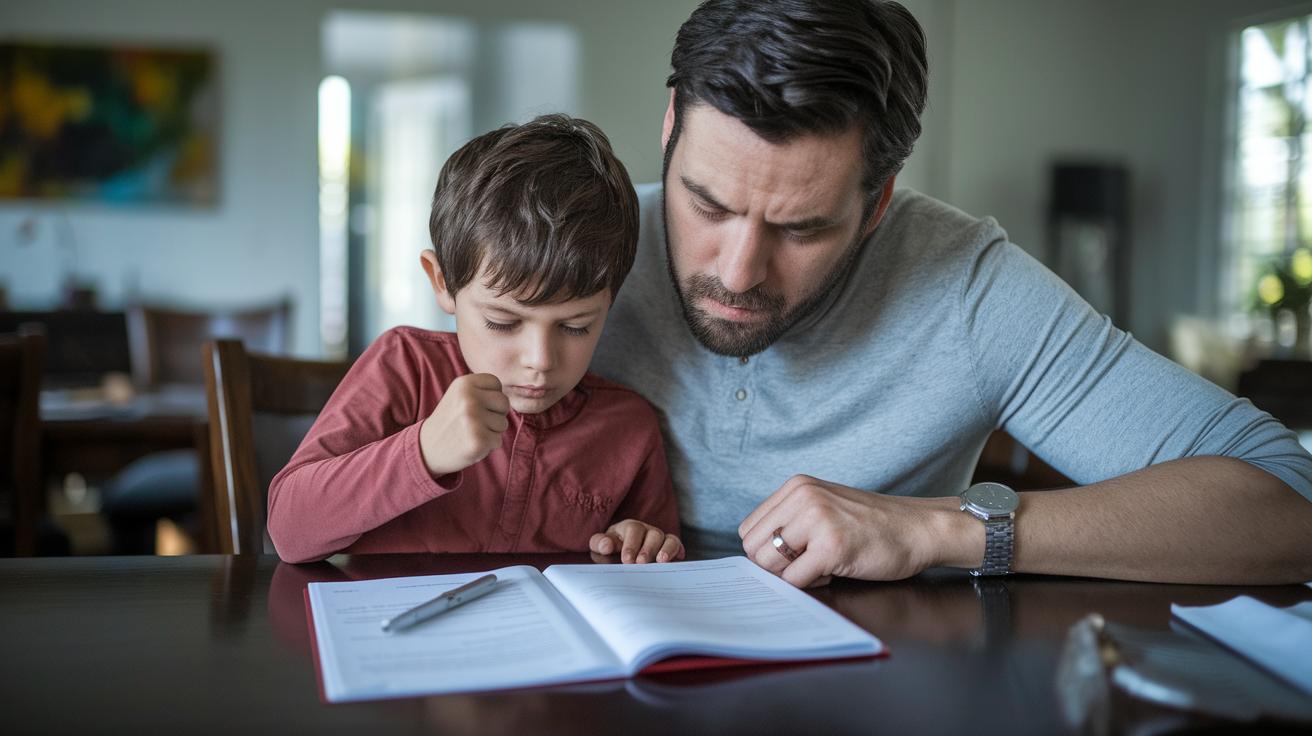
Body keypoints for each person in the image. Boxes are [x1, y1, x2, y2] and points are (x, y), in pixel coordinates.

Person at [590, 0, 1312, 587]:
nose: (740, 271)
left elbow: (1290, 503)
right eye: (707, 205)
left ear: (877, 205)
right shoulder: (584, 243)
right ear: (670, 129)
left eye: (801, 228)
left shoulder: (966, 285)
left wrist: (937, 528)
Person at [268, 114, 682, 565]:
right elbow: (290, 531)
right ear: (442, 282)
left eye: (575, 326)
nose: (540, 360)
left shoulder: (629, 428)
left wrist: (641, 542)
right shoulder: (405, 367)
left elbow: (657, 556)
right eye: (504, 323)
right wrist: (422, 451)